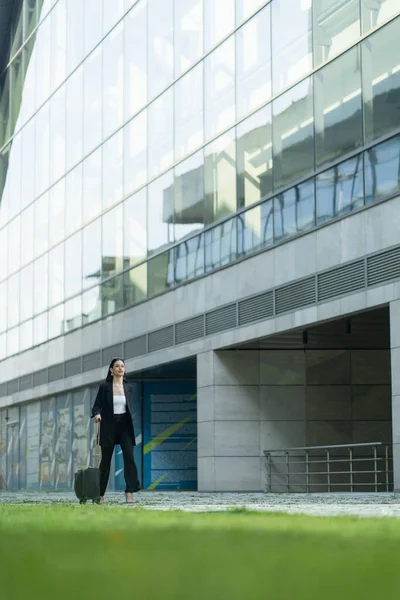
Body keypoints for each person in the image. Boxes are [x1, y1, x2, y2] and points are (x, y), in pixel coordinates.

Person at [91, 358, 140, 503]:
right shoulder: (104, 387)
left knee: (129, 458)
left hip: (125, 426)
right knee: (105, 461)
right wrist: (97, 414)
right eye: (117, 366)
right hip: (109, 426)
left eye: (122, 366)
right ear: (111, 370)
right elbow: (96, 406)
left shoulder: (128, 387)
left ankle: (129, 491)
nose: (120, 368)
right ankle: (99, 494)